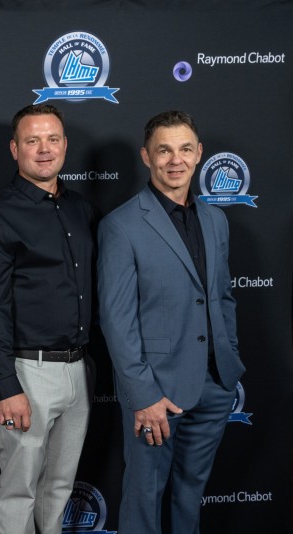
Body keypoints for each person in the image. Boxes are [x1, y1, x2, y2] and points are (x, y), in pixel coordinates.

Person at [97, 110, 245, 533]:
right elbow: (116, 320)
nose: (174, 160)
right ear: (147, 156)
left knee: (190, 494)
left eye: (184, 149)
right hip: (157, 394)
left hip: (215, 385)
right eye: (164, 150)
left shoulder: (215, 220)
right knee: (144, 498)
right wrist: (143, 395)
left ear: (199, 154)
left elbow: (222, 296)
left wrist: (229, 362)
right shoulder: (121, 226)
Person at [0, 104, 95, 534]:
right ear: (14, 148)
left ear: (64, 145)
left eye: (53, 139)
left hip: (77, 370)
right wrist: (6, 385)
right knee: (19, 490)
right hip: (27, 372)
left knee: (59, 488)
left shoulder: (80, 208)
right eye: (32, 140)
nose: (44, 149)